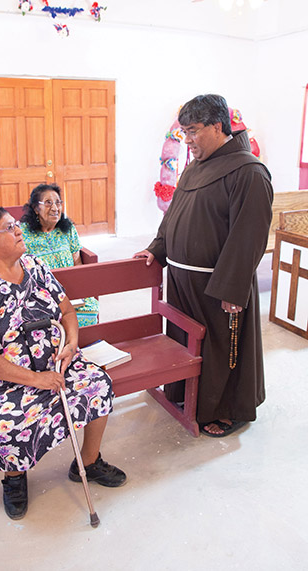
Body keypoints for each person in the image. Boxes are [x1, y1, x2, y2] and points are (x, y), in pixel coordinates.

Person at [0, 207, 126, 520]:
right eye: (8, 228)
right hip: (1, 379)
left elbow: (68, 312)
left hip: (53, 363)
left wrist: (71, 344)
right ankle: (14, 479)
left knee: (98, 385)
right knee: (11, 422)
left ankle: (88, 461)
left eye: (16, 225)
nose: (19, 230)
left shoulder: (34, 266)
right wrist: (34, 379)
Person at [135, 94, 273, 438]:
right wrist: (158, 248)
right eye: (184, 132)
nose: (189, 140)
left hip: (218, 286)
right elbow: (174, 217)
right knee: (185, 342)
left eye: (194, 131)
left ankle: (229, 409)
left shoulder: (248, 172)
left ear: (217, 126)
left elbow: (249, 236)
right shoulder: (194, 167)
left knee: (221, 348)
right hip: (183, 279)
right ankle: (187, 396)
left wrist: (232, 288)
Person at [20, 183, 99, 327]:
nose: (55, 208)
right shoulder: (23, 233)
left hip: (70, 292)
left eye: (58, 202)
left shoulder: (67, 229)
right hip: (38, 294)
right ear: (36, 208)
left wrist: (78, 293)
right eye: (48, 203)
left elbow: (77, 263)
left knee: (90, 308)